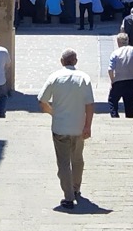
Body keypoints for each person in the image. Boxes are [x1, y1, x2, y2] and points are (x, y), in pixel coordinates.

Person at [37, 49, 94, 208]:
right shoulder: (84, 78)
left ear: (61, 61)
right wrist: (88, 126)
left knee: (63, 163)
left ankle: (68, 197)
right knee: (77, 159)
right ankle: (76, 188)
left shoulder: (54, 77)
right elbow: (90, 104)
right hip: (78, 127)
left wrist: (53, 113)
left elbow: (42, 101)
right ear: (75, 61)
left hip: (60, 127)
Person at [107, 33, 133, 118]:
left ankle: (115, 116)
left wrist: (112, 81)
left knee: (112, 100)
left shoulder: (115, 53)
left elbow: (110, 69)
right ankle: (130, 118)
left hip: (119, 80)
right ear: (127, 40)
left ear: (118, 42)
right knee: (130, 102)